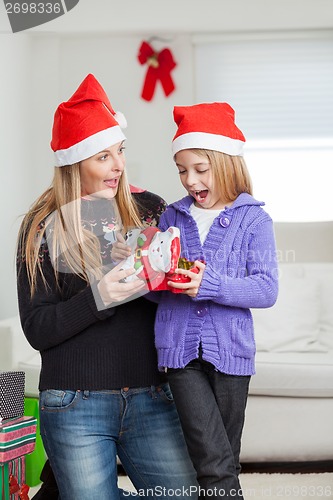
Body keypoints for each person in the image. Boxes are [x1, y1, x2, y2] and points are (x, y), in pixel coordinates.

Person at [16, 73, 197, 500]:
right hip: (73, 402)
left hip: (152, 395)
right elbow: (38, 328)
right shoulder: (41, 227)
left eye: (120, 151)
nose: (117, 165)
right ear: (75, 162)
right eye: (102, 157)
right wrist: (98, 298)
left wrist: (174, 273)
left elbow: (179, 288)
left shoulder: (150, 208)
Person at [153, 103, 279, 499]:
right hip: (180, 355)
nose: (190, 180)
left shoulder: (254, 220)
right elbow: (156, 288)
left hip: (232, 355)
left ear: (225, 164)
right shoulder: (171, 216)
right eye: (181, 169)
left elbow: (266, 289)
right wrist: (151, 271)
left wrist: (208, 283)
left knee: (225, 457)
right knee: (213, 462)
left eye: (200, 169)